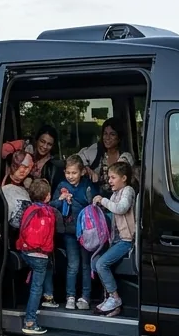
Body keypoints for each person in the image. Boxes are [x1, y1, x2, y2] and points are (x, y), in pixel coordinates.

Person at [18, 178, 65, 334]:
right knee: (36, 287)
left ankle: (48, 296)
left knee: (48, 267)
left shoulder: (28, 209)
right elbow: (61, 229)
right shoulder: (49, 212)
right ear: (48, 196)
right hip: (40, 256)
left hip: (25, 252)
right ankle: (30, 322)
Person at [91, 161, 137, 318]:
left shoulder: (128, 191)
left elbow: (121, 208)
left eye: (113, 177)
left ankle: (114, 298)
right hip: (115, 240)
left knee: (101, 264)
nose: (109, 181)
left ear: (124, 178)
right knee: (95, 262)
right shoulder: (115, 194)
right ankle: (110, 302)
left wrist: (103, 200)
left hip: (126, 240)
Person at [55, 156, 98, 310]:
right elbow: (53, 205)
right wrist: (61, 199)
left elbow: (93, 203)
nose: (71, 176)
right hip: (69, 232)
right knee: (73, 265)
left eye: (74, 173)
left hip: (86, 232)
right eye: (68, 172)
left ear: (81, 172)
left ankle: (85, 297)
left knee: (86, 265)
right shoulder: (61, 185)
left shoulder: (87, 185)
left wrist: (76, 198)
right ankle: (70, 296)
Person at [76, 117, 134, 185]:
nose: (107, 137)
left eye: (112, 134)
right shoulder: (97, 150)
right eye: (105, 134)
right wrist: (87, 169)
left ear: (119, 138)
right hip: (97, 194)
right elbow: (76, 159)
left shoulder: (126, 157)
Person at [0, 149, 34, 229]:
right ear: (14, 164)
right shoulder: (1, 179)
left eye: (28, 168)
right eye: (22, 166)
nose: (24, 171)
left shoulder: (29, 183)